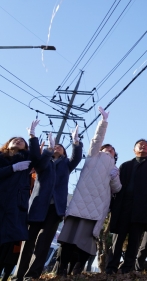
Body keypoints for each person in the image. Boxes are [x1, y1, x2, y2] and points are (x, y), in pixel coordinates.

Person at [56, 107, 122, 275]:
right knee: (68, 238)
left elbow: (117, 189)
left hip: (97, 208)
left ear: (115, 156)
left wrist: (114, 177)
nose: (109, 150)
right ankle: (62, 268)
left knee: (86, 240)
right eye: (106, 148)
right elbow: (96, 139)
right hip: (80, 204)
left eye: (112, 150)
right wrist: (104, 122)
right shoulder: (93, 156)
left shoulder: (115, 168)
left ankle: (77, 269)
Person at [15, 127, 83, 281]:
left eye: (60, 147)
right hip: (37, 206)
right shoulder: (43, 162)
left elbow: (77, 157)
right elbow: (36, 160)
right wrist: (33, 137)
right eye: (54, 146)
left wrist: (76, 142)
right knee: (28, 242)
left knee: (43, 243)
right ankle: (17, 276)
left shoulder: (67, 164)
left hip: (55, 209)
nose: (57, 147)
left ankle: (32, 275)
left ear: (65, 153)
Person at [106, 137, 147, 274]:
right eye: (140, 145)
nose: (143, 147)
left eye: (145, 145)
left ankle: (127, 268)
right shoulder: (125, 165)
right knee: (118, 239)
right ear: (134, 150)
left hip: (141, 207)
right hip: (124, 205)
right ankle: (111, 267)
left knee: (134, 240)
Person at [0, 121, 42, 281]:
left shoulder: (28, 160)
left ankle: (6, 275)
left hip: (16, 207)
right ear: (7, 144)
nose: (18, 140)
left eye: (21, 140)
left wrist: (32, 136)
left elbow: (38, 158)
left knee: (11, 244)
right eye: (14, 139)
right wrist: (12, 168)